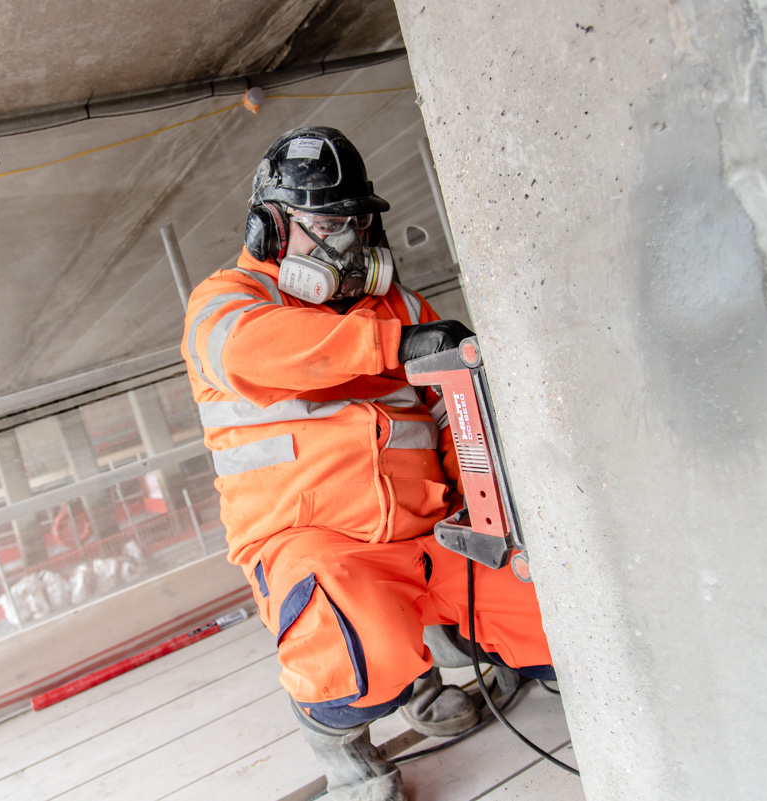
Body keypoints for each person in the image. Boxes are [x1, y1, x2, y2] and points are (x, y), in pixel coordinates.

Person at [180, 127, 554, 800]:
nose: (346, 241)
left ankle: (462, 661)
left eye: (355, 221)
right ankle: (346, 752)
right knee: (357, 642)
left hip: (428, 536)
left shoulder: (403, 306)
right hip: (317, 547)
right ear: (269, 228)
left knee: (558, 619)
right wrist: (391, 344)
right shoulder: (227, 303)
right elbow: (249, 355)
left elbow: (453, 419)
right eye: (326, 223)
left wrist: (481, 514)